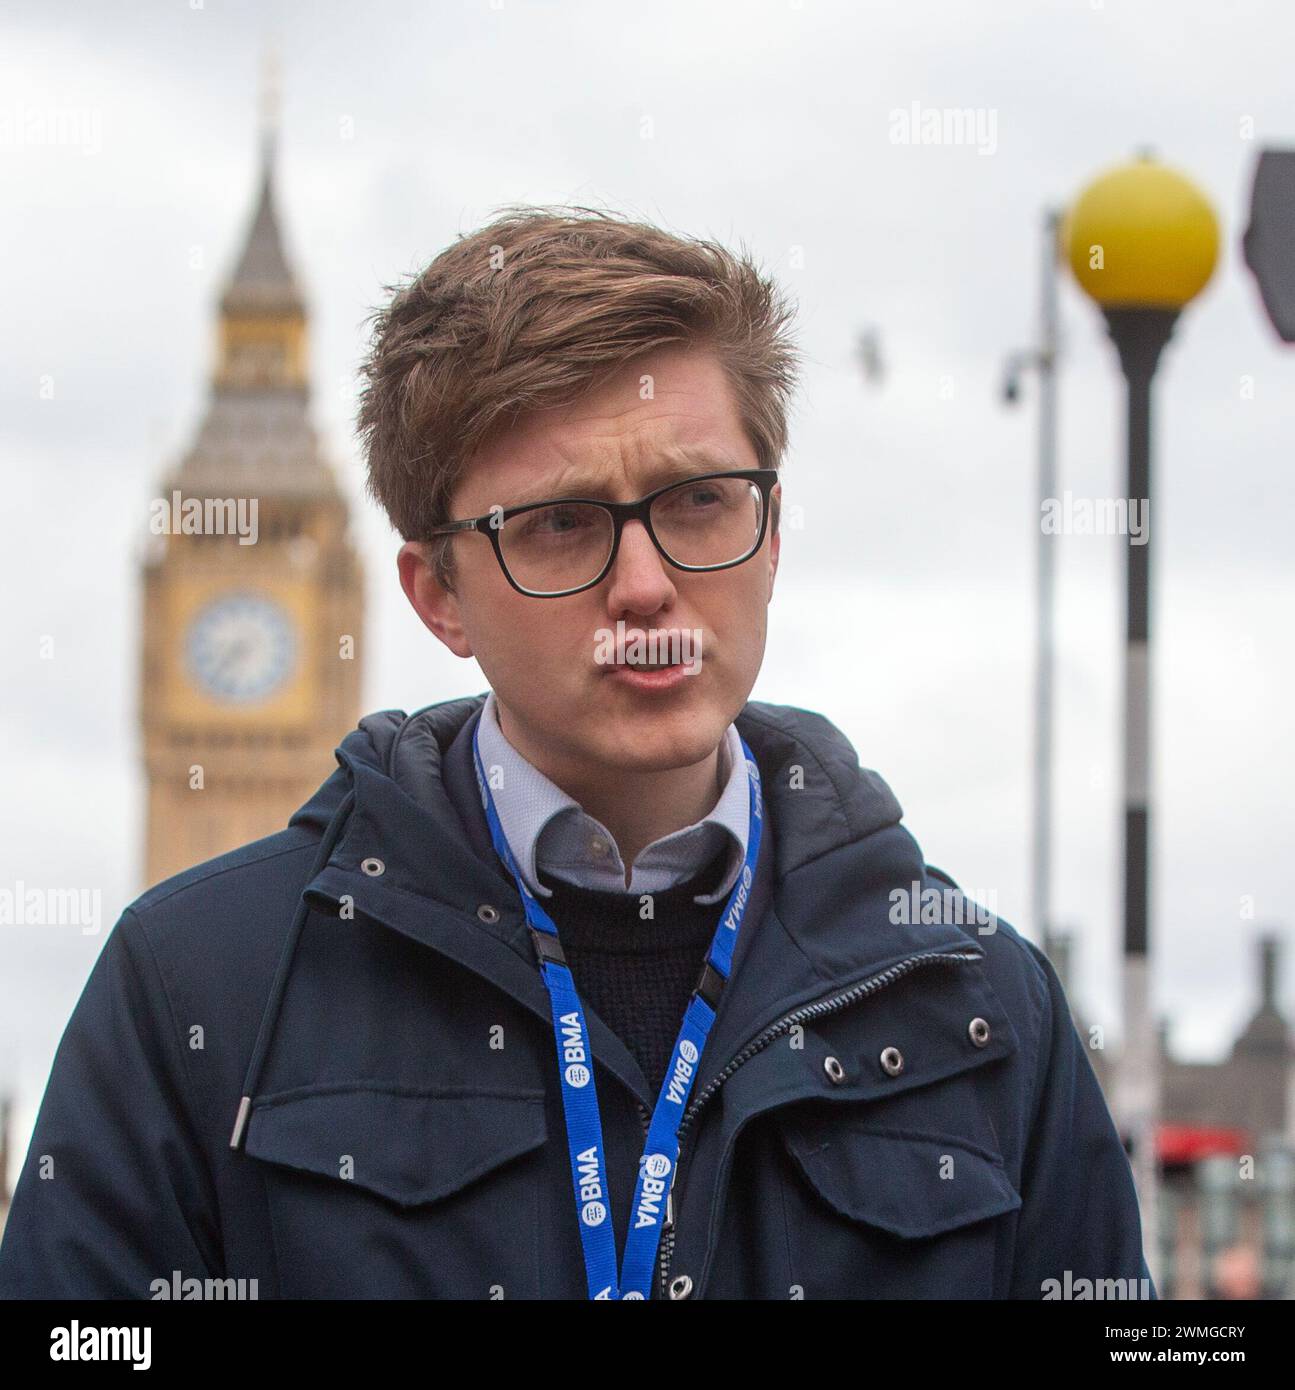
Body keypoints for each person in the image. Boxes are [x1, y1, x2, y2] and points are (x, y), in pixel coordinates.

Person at [0, 206, 1154, 1300]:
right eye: (559, 523)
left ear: (772, 531)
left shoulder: (979, 1005)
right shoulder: (195, 985)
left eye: (699, 500)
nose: (645, 583)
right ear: (433, 594)